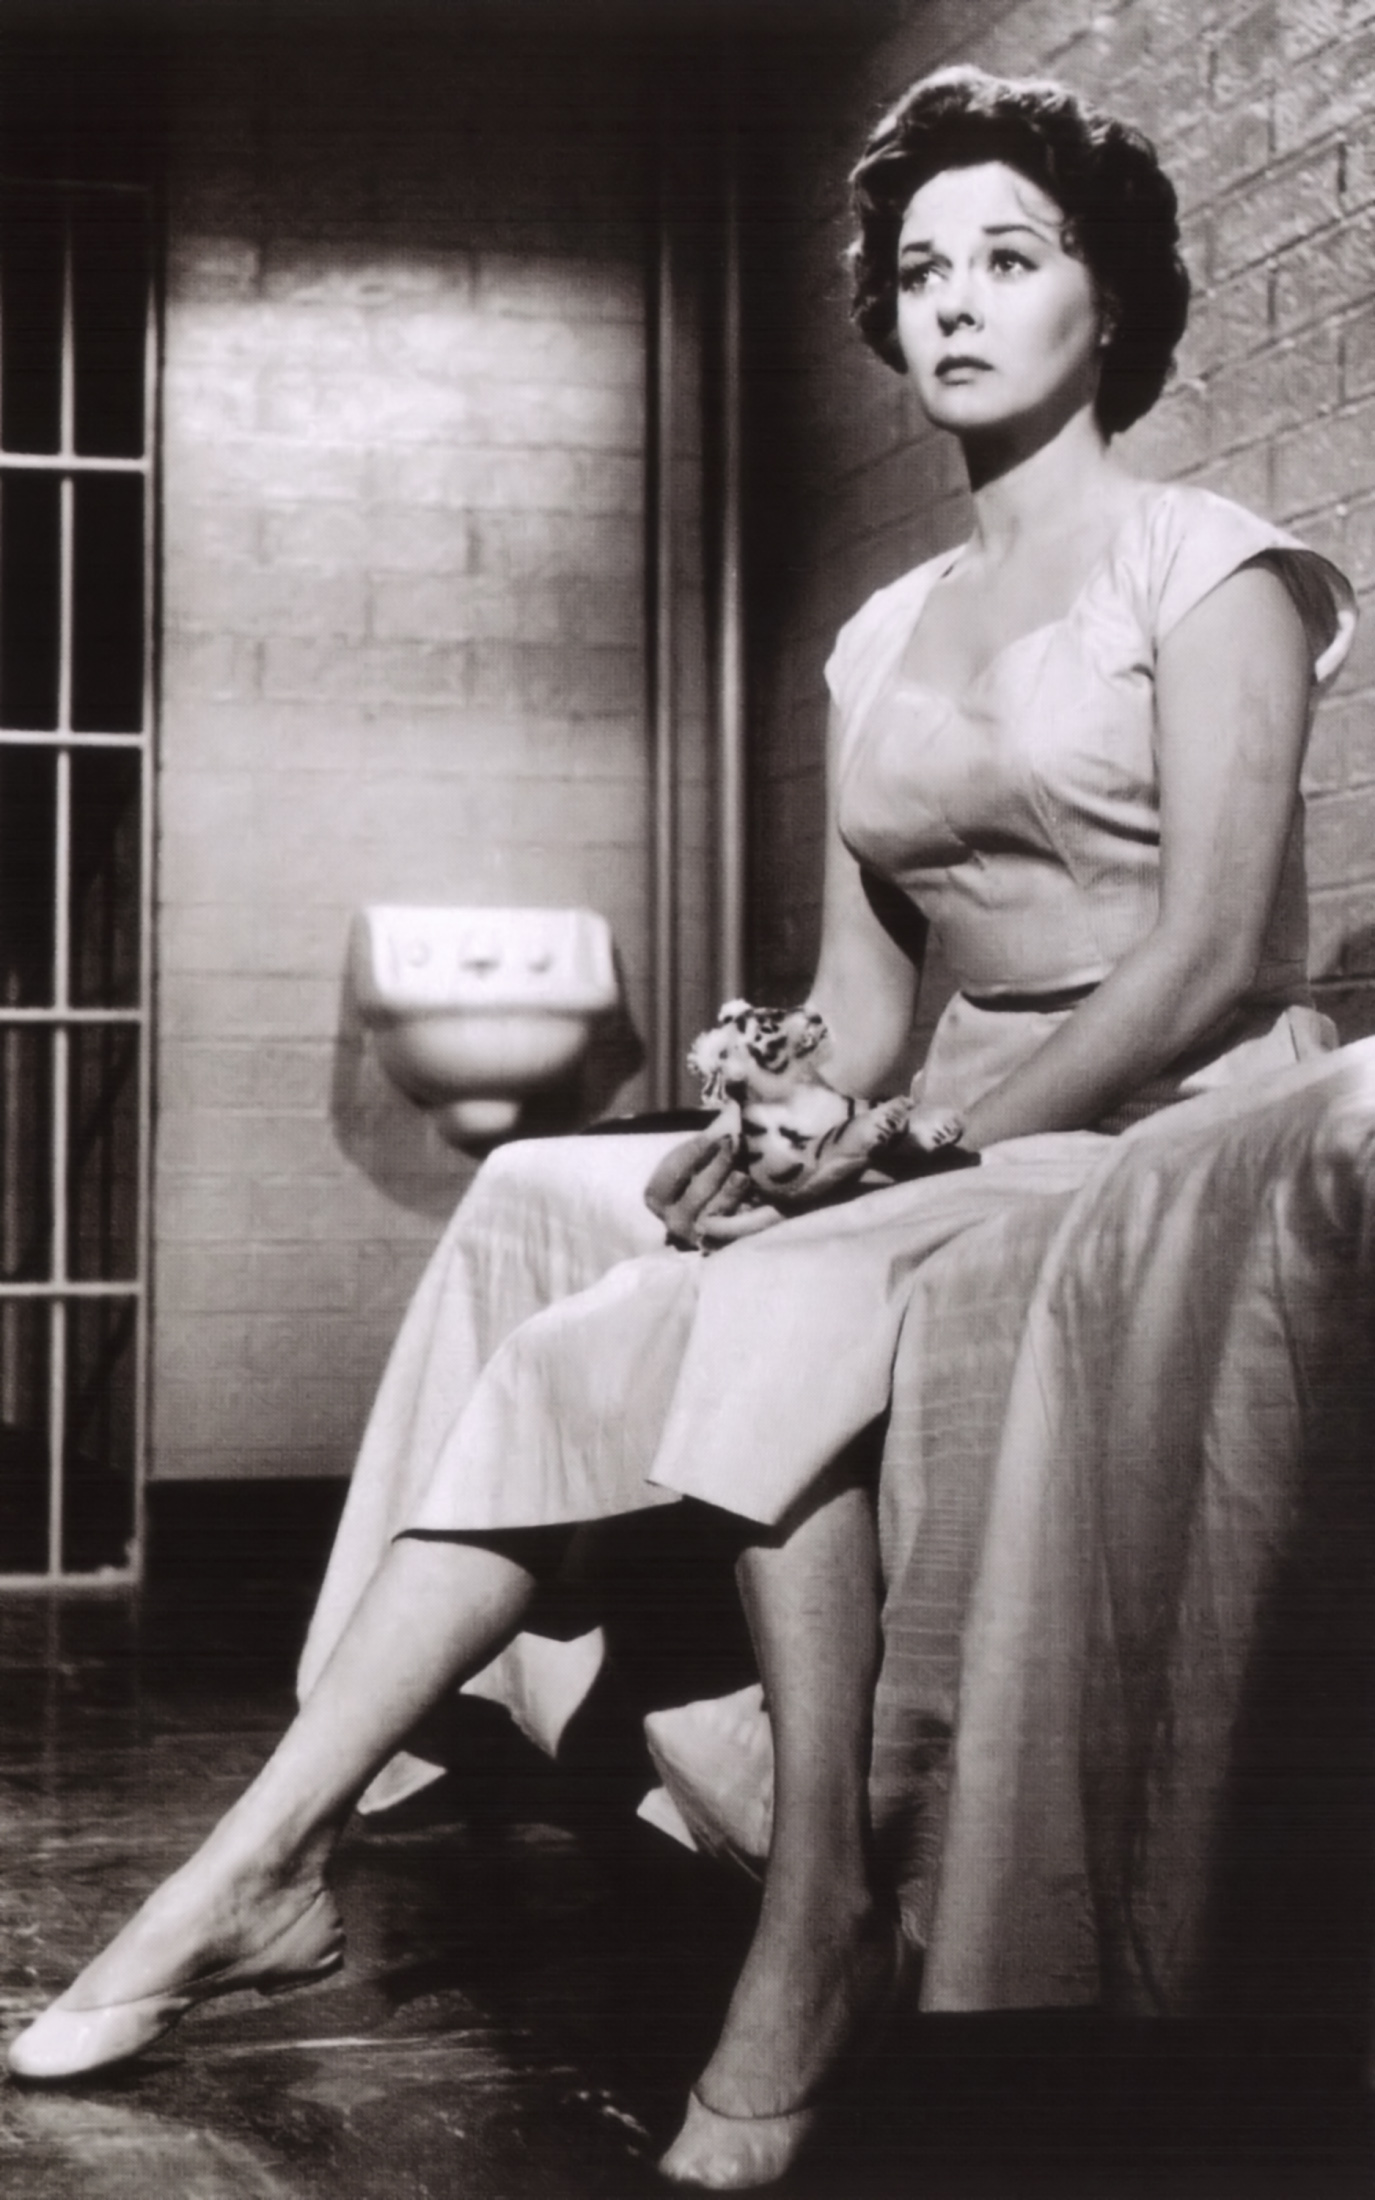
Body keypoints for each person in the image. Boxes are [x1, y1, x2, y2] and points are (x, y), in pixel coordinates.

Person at [6, 63, 1356, 2196]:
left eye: (1010, 258)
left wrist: (911, 1149)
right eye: (921, 270)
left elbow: (1203, 959)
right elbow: (867, 1002)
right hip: (965, 1132)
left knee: (772, 1303)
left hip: (1173, 1124)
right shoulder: (879, 636)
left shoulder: (1217, 568)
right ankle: (258, 1862)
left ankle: (818, 1919)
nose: (953, 302)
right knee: (587, 1336)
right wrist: (791, 1109)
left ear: (1110, 301)